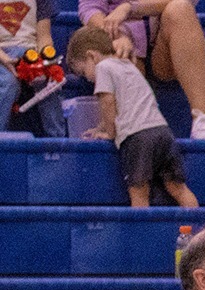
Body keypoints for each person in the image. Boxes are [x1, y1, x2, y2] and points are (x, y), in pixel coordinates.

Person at [67, 26, 198, 209]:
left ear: (92, 56)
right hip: (162, 132)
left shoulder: (103, 68)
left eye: (83, 72)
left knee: (139, 192)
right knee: (178, 188)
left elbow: (108, 103)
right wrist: (99, 128)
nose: (87, 78)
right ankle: (195, 223)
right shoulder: (128, 64)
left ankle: (141, 227)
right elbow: (126, 104)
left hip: (138, 137)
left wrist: (110, 133)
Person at [78, 0, 205, 139]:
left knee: (180, 8)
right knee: (113, 50)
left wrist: (130, 8)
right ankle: (114, 126)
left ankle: (203, 120)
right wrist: (116, 36)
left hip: (166, 41)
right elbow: (90, 9)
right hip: (122, 38)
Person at [0, 0, 66, 136]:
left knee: (50, 81)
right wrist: (5, 59)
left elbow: (44, 36)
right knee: (9, 82)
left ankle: (56, 141)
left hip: (31, 52)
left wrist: (44, 62)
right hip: (2, 52)